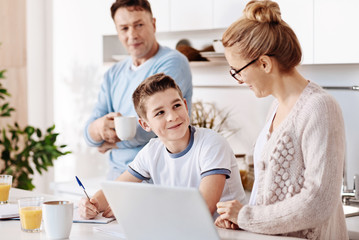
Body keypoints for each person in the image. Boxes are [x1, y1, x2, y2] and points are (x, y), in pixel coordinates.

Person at [214, 1, 348, 239]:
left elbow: (318, 202)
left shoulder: (319, 107)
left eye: (238, 71)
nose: (239, 80)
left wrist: (246, 216)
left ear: (264, 63)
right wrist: (243, 221)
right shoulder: (275, 106)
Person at [79, 73, 246, 219]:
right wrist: (91, 204)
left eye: (177, 106)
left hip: (227, 234)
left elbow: (202, 209)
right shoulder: (152, 151)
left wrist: (136, 209)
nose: (172, 116)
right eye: (160, 113)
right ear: (145, 124)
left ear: (185, 106)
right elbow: (114, 190)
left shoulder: (212, 144)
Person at [84, 0, 193, 180]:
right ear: (118, 32)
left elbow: (158, 126)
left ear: (153, 24)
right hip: (116, 177)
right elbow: (89, 132)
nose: (132, 34)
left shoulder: (174, 62)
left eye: (139, 25)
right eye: (124, 28)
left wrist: (110, 143)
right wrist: (97, 129)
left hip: (156, 177)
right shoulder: (113, 73)